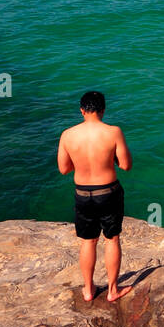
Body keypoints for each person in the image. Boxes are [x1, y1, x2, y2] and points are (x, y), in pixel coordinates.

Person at [57, 91, 133, 303]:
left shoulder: (67, 135)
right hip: (108, 192)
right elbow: (126, 165)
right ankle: (112, 291)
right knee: (112, 239)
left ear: (81, 110)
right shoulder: (113, 132)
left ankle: (89, 290)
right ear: (103, 110)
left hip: (82, 193)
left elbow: (63, 169)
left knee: (88, 242)